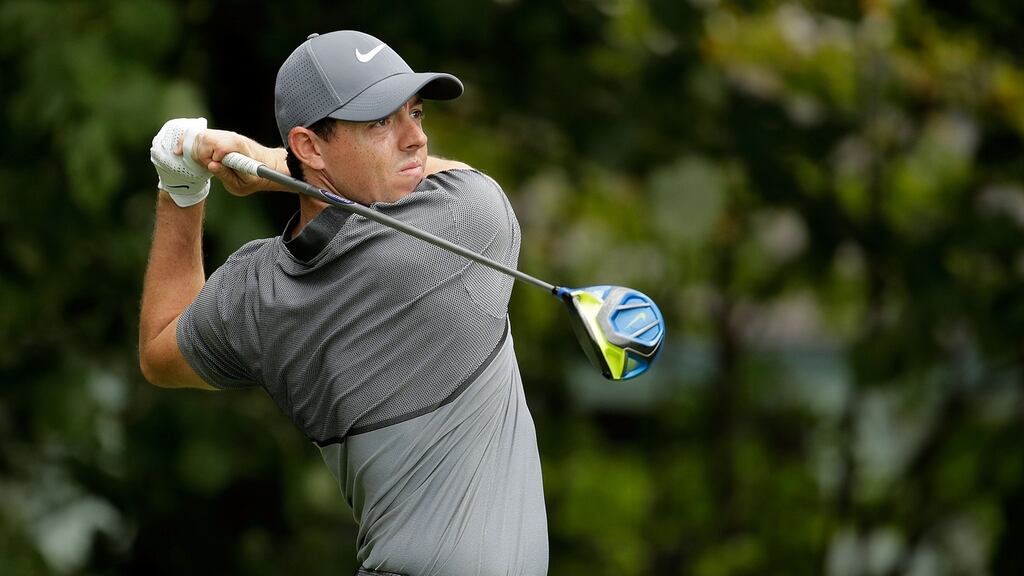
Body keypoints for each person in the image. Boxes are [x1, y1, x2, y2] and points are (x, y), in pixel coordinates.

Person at [139, 30, 548, 576]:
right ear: (309, 146)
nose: (415, 139)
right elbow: (451, 179)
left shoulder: (256, 291)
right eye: (381, 121)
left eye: (416, 113)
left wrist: (180, 188)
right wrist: (267, 165)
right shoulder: (467, 224)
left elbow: (159, 353)